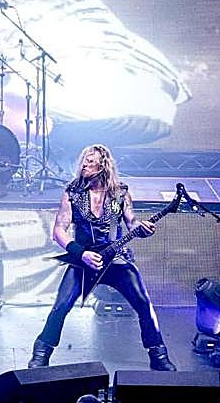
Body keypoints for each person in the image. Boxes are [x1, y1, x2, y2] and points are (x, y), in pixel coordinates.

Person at [27, 144, 177, 371]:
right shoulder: (73, 193)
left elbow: (132, 223)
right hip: (84, 259)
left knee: (144, 304)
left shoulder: (120, 193)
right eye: (83, 161)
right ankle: (41, 353)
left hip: (117, 259)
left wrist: (143, 229)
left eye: (90, 161)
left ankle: (159, 355)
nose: (84, 165)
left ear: (103, 165)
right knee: (61, 306)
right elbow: (58, 231)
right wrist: (81, 253)